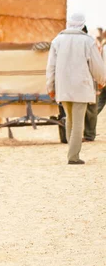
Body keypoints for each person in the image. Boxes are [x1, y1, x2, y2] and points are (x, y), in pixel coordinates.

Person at [47, 13, 106, 165]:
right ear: (82, 24)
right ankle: (73, 157)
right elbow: (96, 65)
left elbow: (51, 67)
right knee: (78, 122)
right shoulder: (88, 41)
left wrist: (50, 87)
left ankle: (71, 152)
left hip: (63, 87)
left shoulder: (57, 40)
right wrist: (102, 81)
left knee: (70, 120)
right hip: (81, 86)